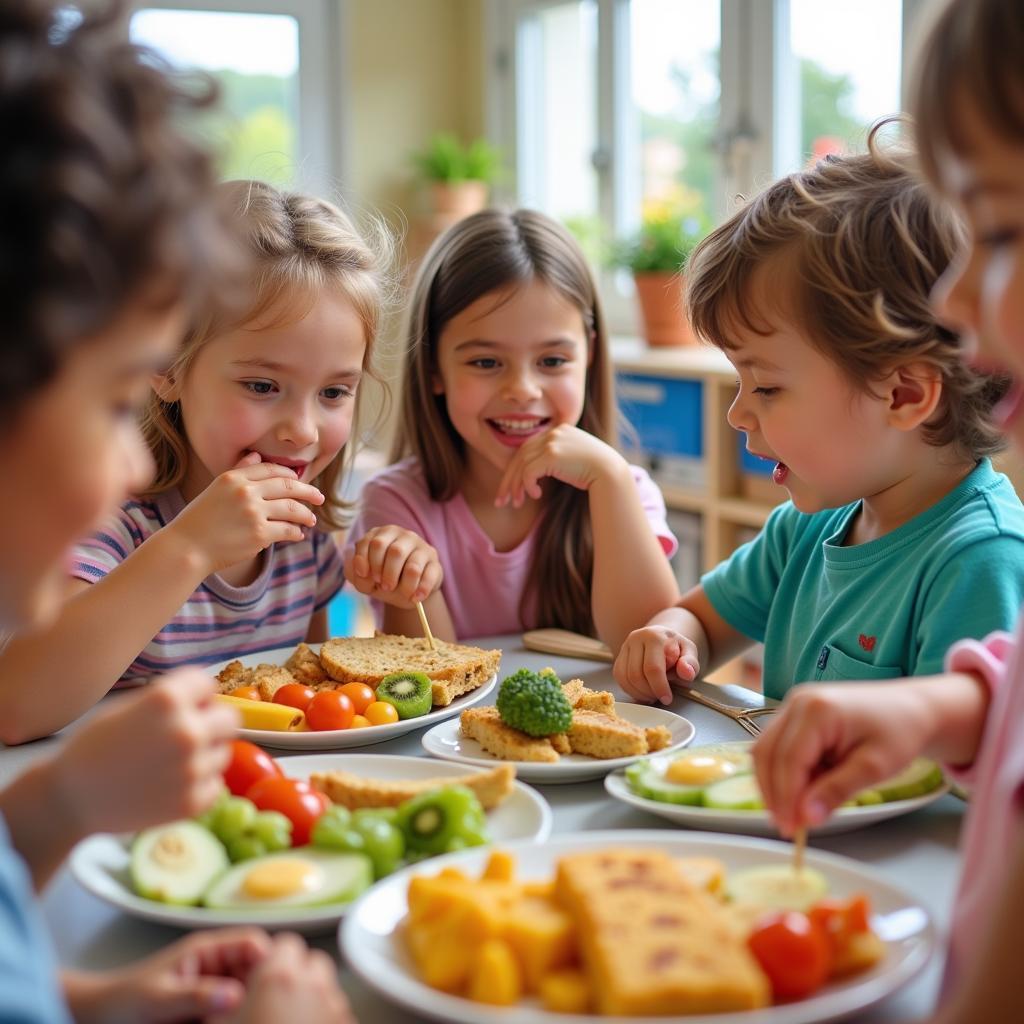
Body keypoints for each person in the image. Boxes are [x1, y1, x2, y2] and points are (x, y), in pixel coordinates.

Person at [0, 3, 354, 1020]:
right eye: (118, 394)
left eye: (335, 391)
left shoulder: (317, 530)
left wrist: (98, 998)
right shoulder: (131, 531)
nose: (123, 467)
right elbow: (23, 702)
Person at [750, 1, 1024, 1020]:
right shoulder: (817, 523)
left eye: (995, 229)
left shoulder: (979, 548)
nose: (952, 302)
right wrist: (944, 708)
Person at [0, 176, 441, 742]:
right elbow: (16, 709)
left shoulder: (301, 539)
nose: (302, 429)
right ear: (168, 367)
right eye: (261, 385)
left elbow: (317, 705)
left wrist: (401, 597)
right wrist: (191, 545)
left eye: (334, 393)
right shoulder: (106, 525)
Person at [613, 129, 1024, 705]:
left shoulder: (981, 560)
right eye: (741, 382)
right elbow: (700, 621)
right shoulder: (804, 527)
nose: (737, 414)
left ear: (904, 395)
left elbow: (958, 785)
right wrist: (670, 639)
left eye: (768, 386)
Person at [344, 208, 679, 647]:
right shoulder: (396, 504)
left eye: (552, 361)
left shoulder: (621, 490)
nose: (522, 390)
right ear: (433, 368)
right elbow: (432, 682)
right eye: (485, 362)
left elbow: (648, 649)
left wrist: (610, 480)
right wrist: (408, 588)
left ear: (590, 355)